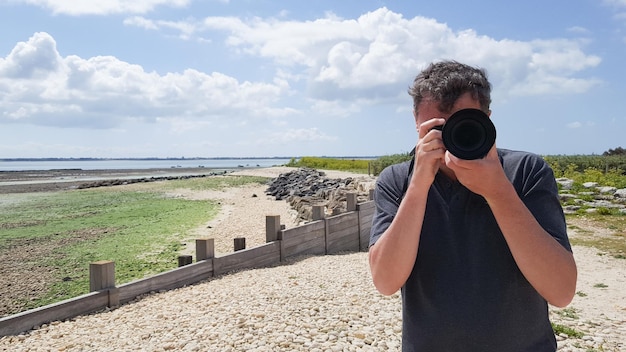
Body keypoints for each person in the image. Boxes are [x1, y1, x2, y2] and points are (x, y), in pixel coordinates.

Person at [368, 60, 577, 351]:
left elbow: (561, 290)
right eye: (439, 128)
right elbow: (385, 282)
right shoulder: (398, 180)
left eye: (463, 125)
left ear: (487, 120)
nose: (453, 137)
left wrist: (498, 190)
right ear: (417, 123)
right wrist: (418, 186)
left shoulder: (526, 171)